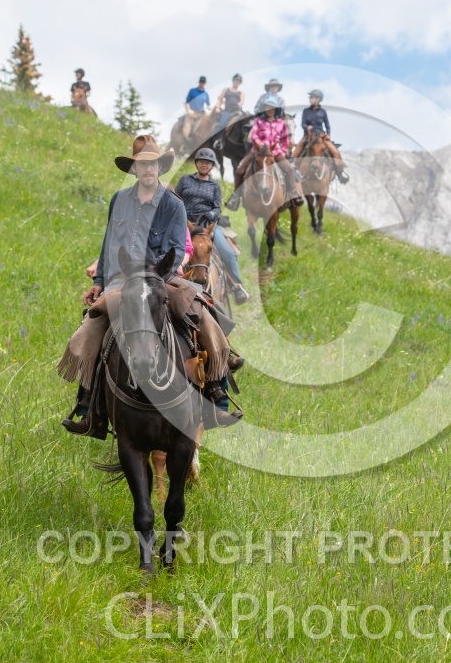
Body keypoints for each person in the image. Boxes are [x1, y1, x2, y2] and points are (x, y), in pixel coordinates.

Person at [58, 135, 242, 438]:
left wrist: (150, 272)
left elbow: (176, 250)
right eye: (142, 164)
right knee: (92, 323)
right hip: (122, 279)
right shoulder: (119, 200)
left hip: (161, 277)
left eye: (153, 164)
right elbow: (108, 244)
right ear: (134, 169)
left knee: (200, 310)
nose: (148, 169)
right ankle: (89, 405)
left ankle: (215, 394)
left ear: (160, 167)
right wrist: (99, 281)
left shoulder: (173, 204)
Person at [175, 147, 249, 304]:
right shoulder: (185, 180)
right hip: (185, 223)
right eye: (202, 162)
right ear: (196, 163)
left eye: (208, 163)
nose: (204, 165)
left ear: (212, 165)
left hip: (207, 225)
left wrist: (211, 214)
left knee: (228, 252)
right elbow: (175, 199)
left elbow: (217, 207)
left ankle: (237, 287)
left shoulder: (215, 186)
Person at [226, 95, 303, 211]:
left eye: (272, 107)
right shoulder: (259, 121)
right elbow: (254, 136)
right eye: (267, 107)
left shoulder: (281, 123)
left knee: (289, 169)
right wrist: (259, 145)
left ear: (275, 109)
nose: (269, 109)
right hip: (258, 151)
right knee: (240, 170)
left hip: (275, 152)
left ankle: (293, 193)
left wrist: (281, 150)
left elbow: (285, 140)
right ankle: (235, 197)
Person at [293, 89, 349, 183]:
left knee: (334, 151)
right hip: (308, 135)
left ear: (318, 99)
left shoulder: (323, 112)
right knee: (297, 150)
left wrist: (328, 135)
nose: (310, 98)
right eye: (310, 97)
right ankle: (292, 169)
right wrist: (307, 127)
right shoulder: (306, 111)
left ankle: (340, 173)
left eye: (312, 97)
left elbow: (327, 125)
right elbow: (303, 124)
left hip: (321, 135)